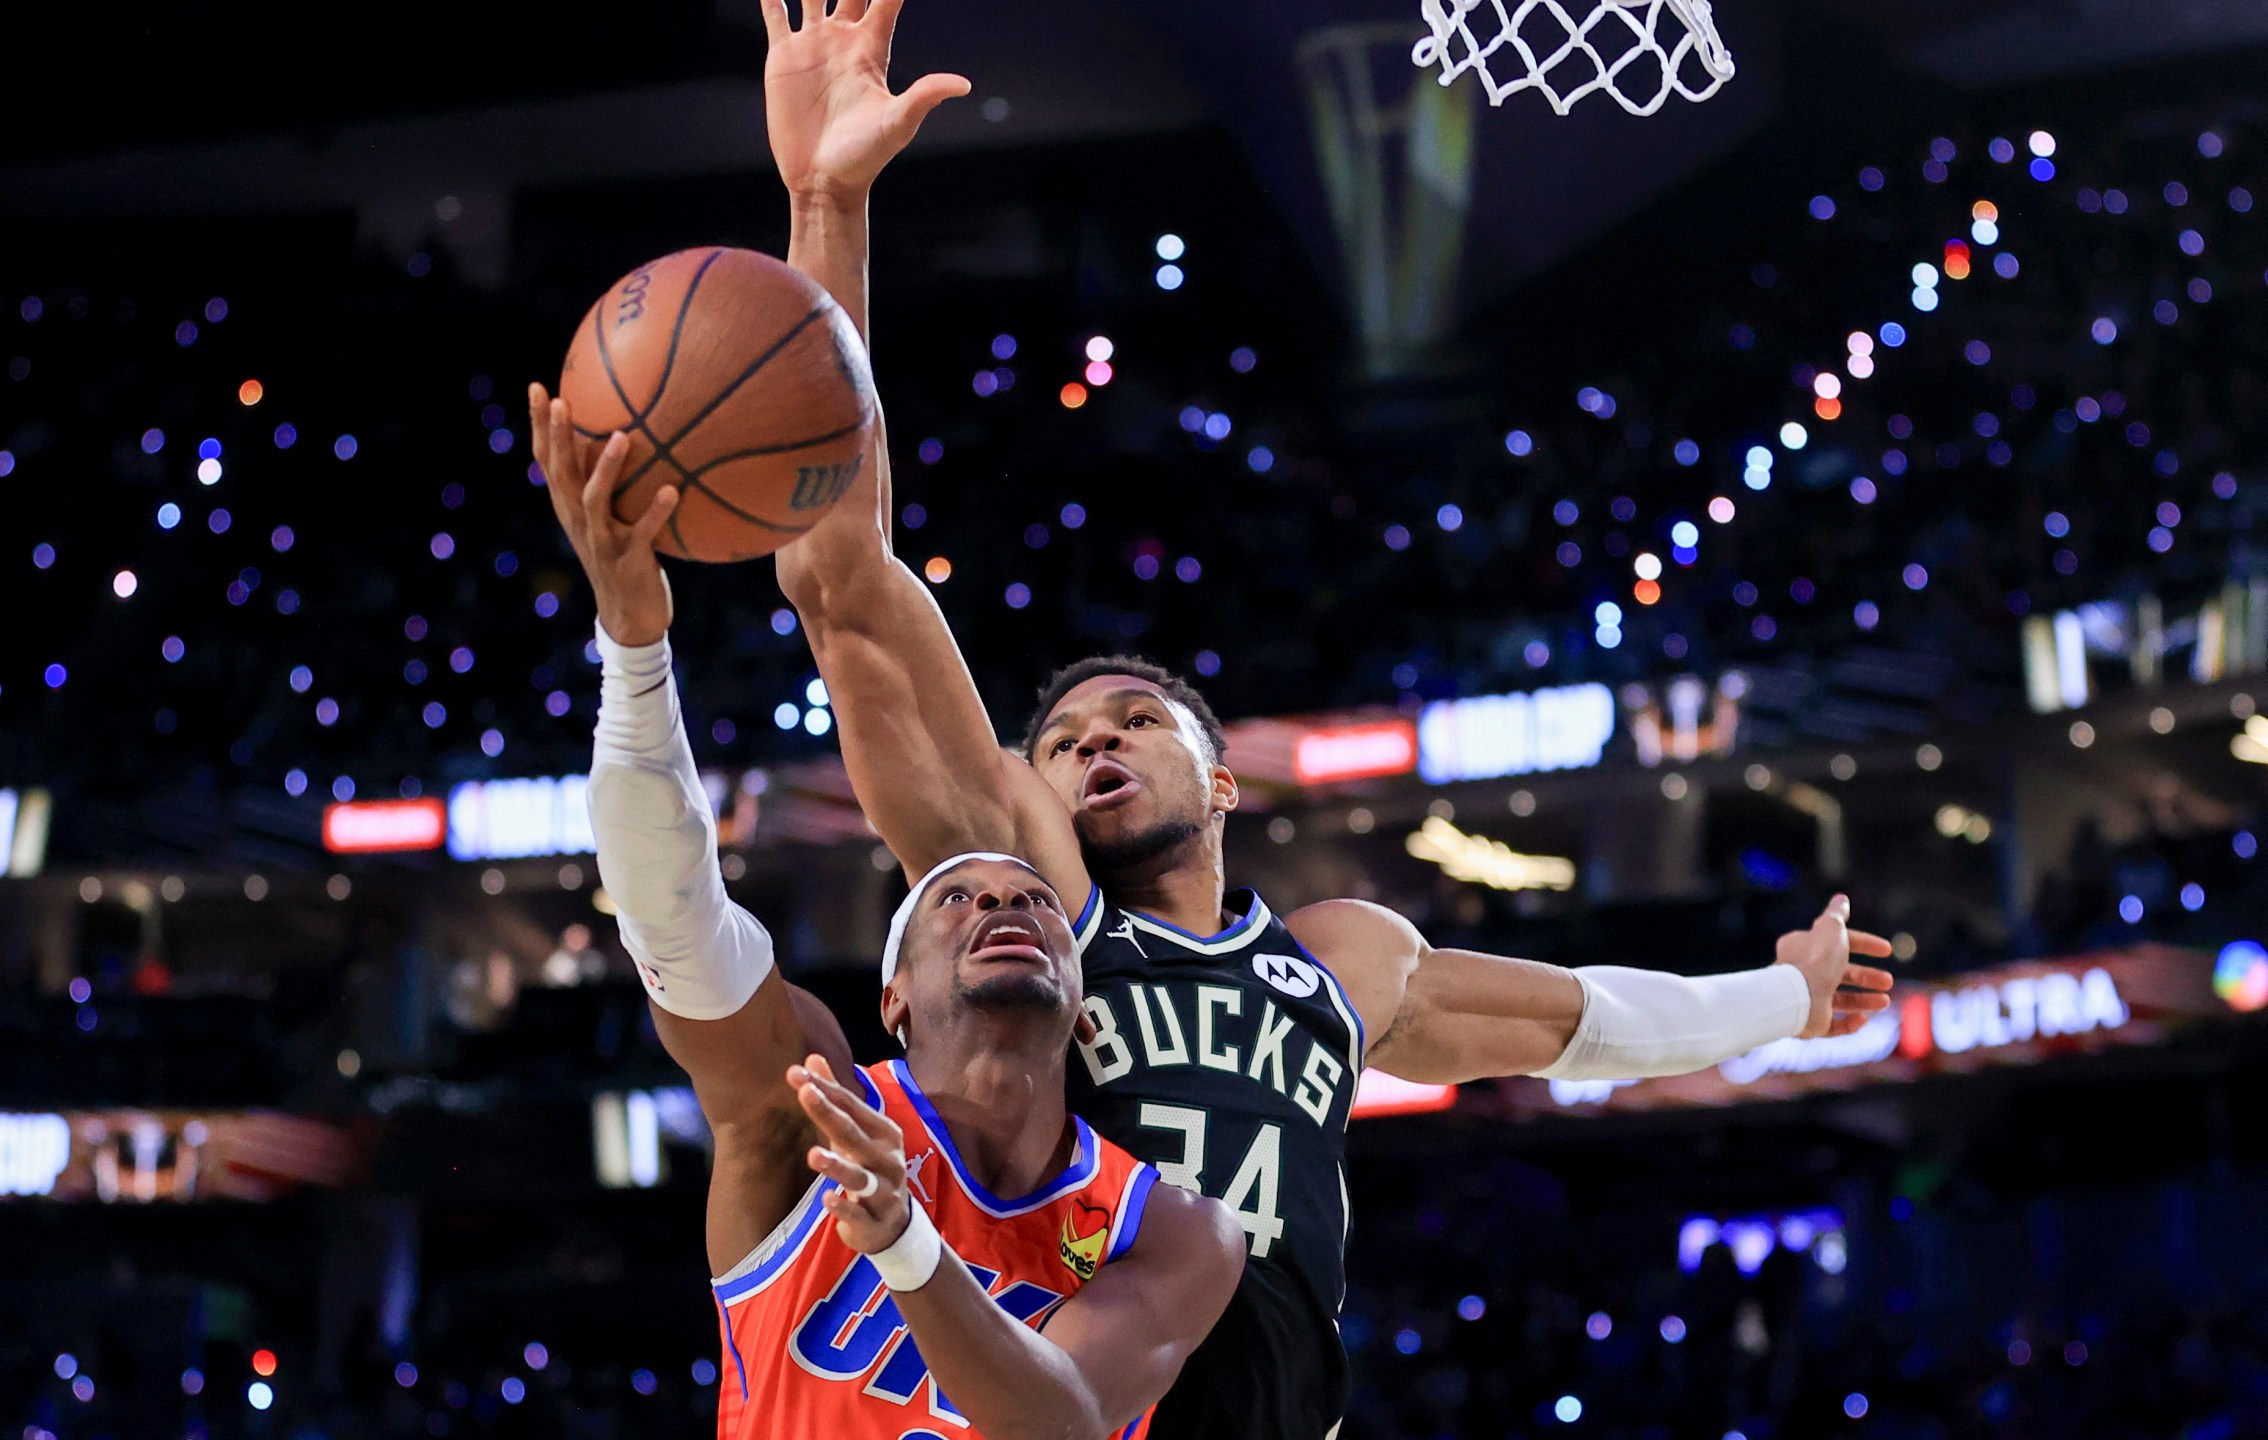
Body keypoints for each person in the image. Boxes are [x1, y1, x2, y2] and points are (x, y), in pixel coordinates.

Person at [737, 3, 1898, 1437]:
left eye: (1136, 721)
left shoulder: (1342, 961)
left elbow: (1585, 1025)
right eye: (1064, 739)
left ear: (1223, 785)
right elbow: (841, 582)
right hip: (1057, 1366)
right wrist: (827, 200)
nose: (1095, 742)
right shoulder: (1033, 902)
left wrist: (1786, 995)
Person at [532, 409, 1243, 1438]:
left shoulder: (1172, 1226)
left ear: (1084, 1001)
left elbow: (1066, 1421)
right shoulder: (809, 1109)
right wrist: (635, 652)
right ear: (891, 995)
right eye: (954, 898)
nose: (1004, 900)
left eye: (1036, 899)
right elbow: (675, 926)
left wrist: (906, 1241)